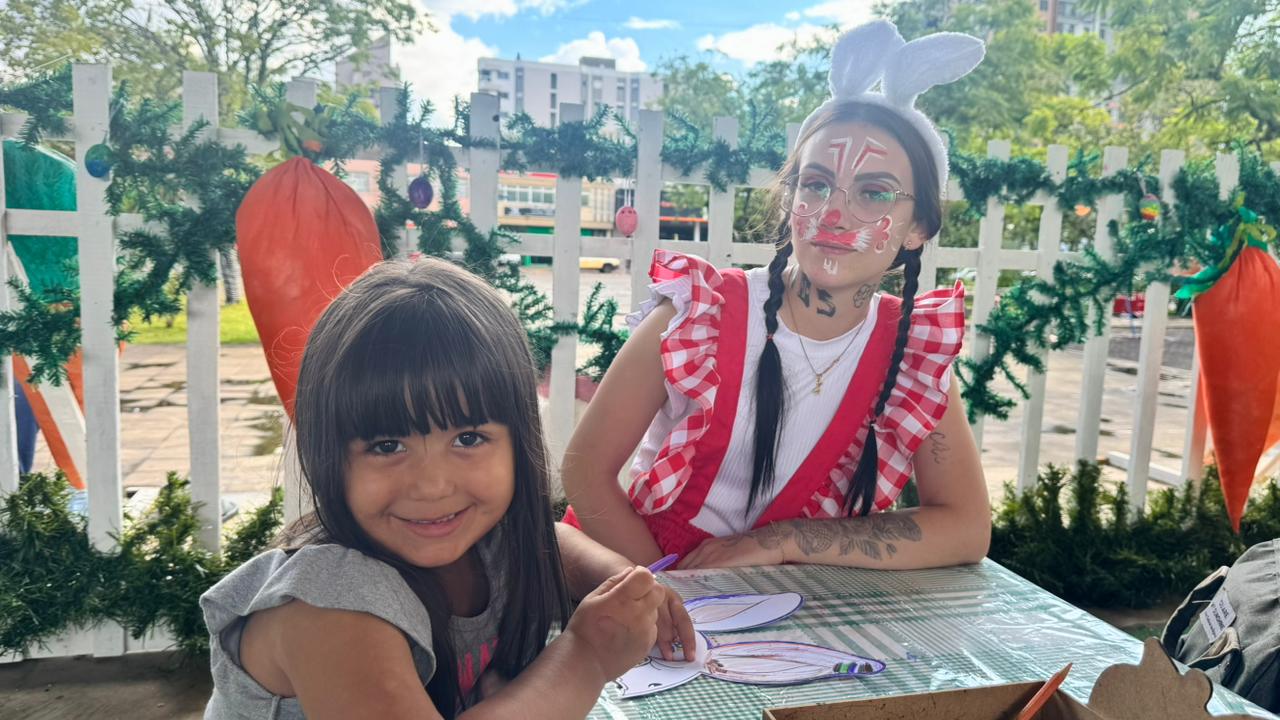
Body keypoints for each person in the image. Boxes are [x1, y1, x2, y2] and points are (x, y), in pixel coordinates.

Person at [562, 20, 992, 572]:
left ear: (918, 229)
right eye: (815, 184)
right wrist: (671, 594)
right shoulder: (699, 313)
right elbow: (585, 472)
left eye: (873, 193)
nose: (833, 213)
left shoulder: (911, 354)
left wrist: (784, 541)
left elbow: (965, 526)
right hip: (637, 571)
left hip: (781, 601)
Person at [201, 259, 695, 719]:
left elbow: (554, 540)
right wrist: (587, 655)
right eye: (387, 446)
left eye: (468, 439)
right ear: (327, 454)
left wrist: (619, 579)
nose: (433, 485)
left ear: (518, 440)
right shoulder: (329, 607)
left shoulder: (484, 538)